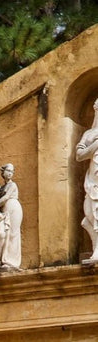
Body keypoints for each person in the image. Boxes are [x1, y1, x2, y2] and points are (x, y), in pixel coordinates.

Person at [0, 163, 22, 270]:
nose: (10, 173)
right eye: (8, 171)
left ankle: (11, 261)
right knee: (2, 234)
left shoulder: (13, 185)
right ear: (3, 172)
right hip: (5, 212)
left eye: (12, 171)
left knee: (13, 234)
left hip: (14, 209)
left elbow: (6, 198)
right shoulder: (1, 188)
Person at [76, 98, 98, 265]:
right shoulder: (88, 134)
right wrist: (96, 145)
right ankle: (96, 247)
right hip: (93, 178)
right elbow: (79, 156)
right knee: (89, 215)